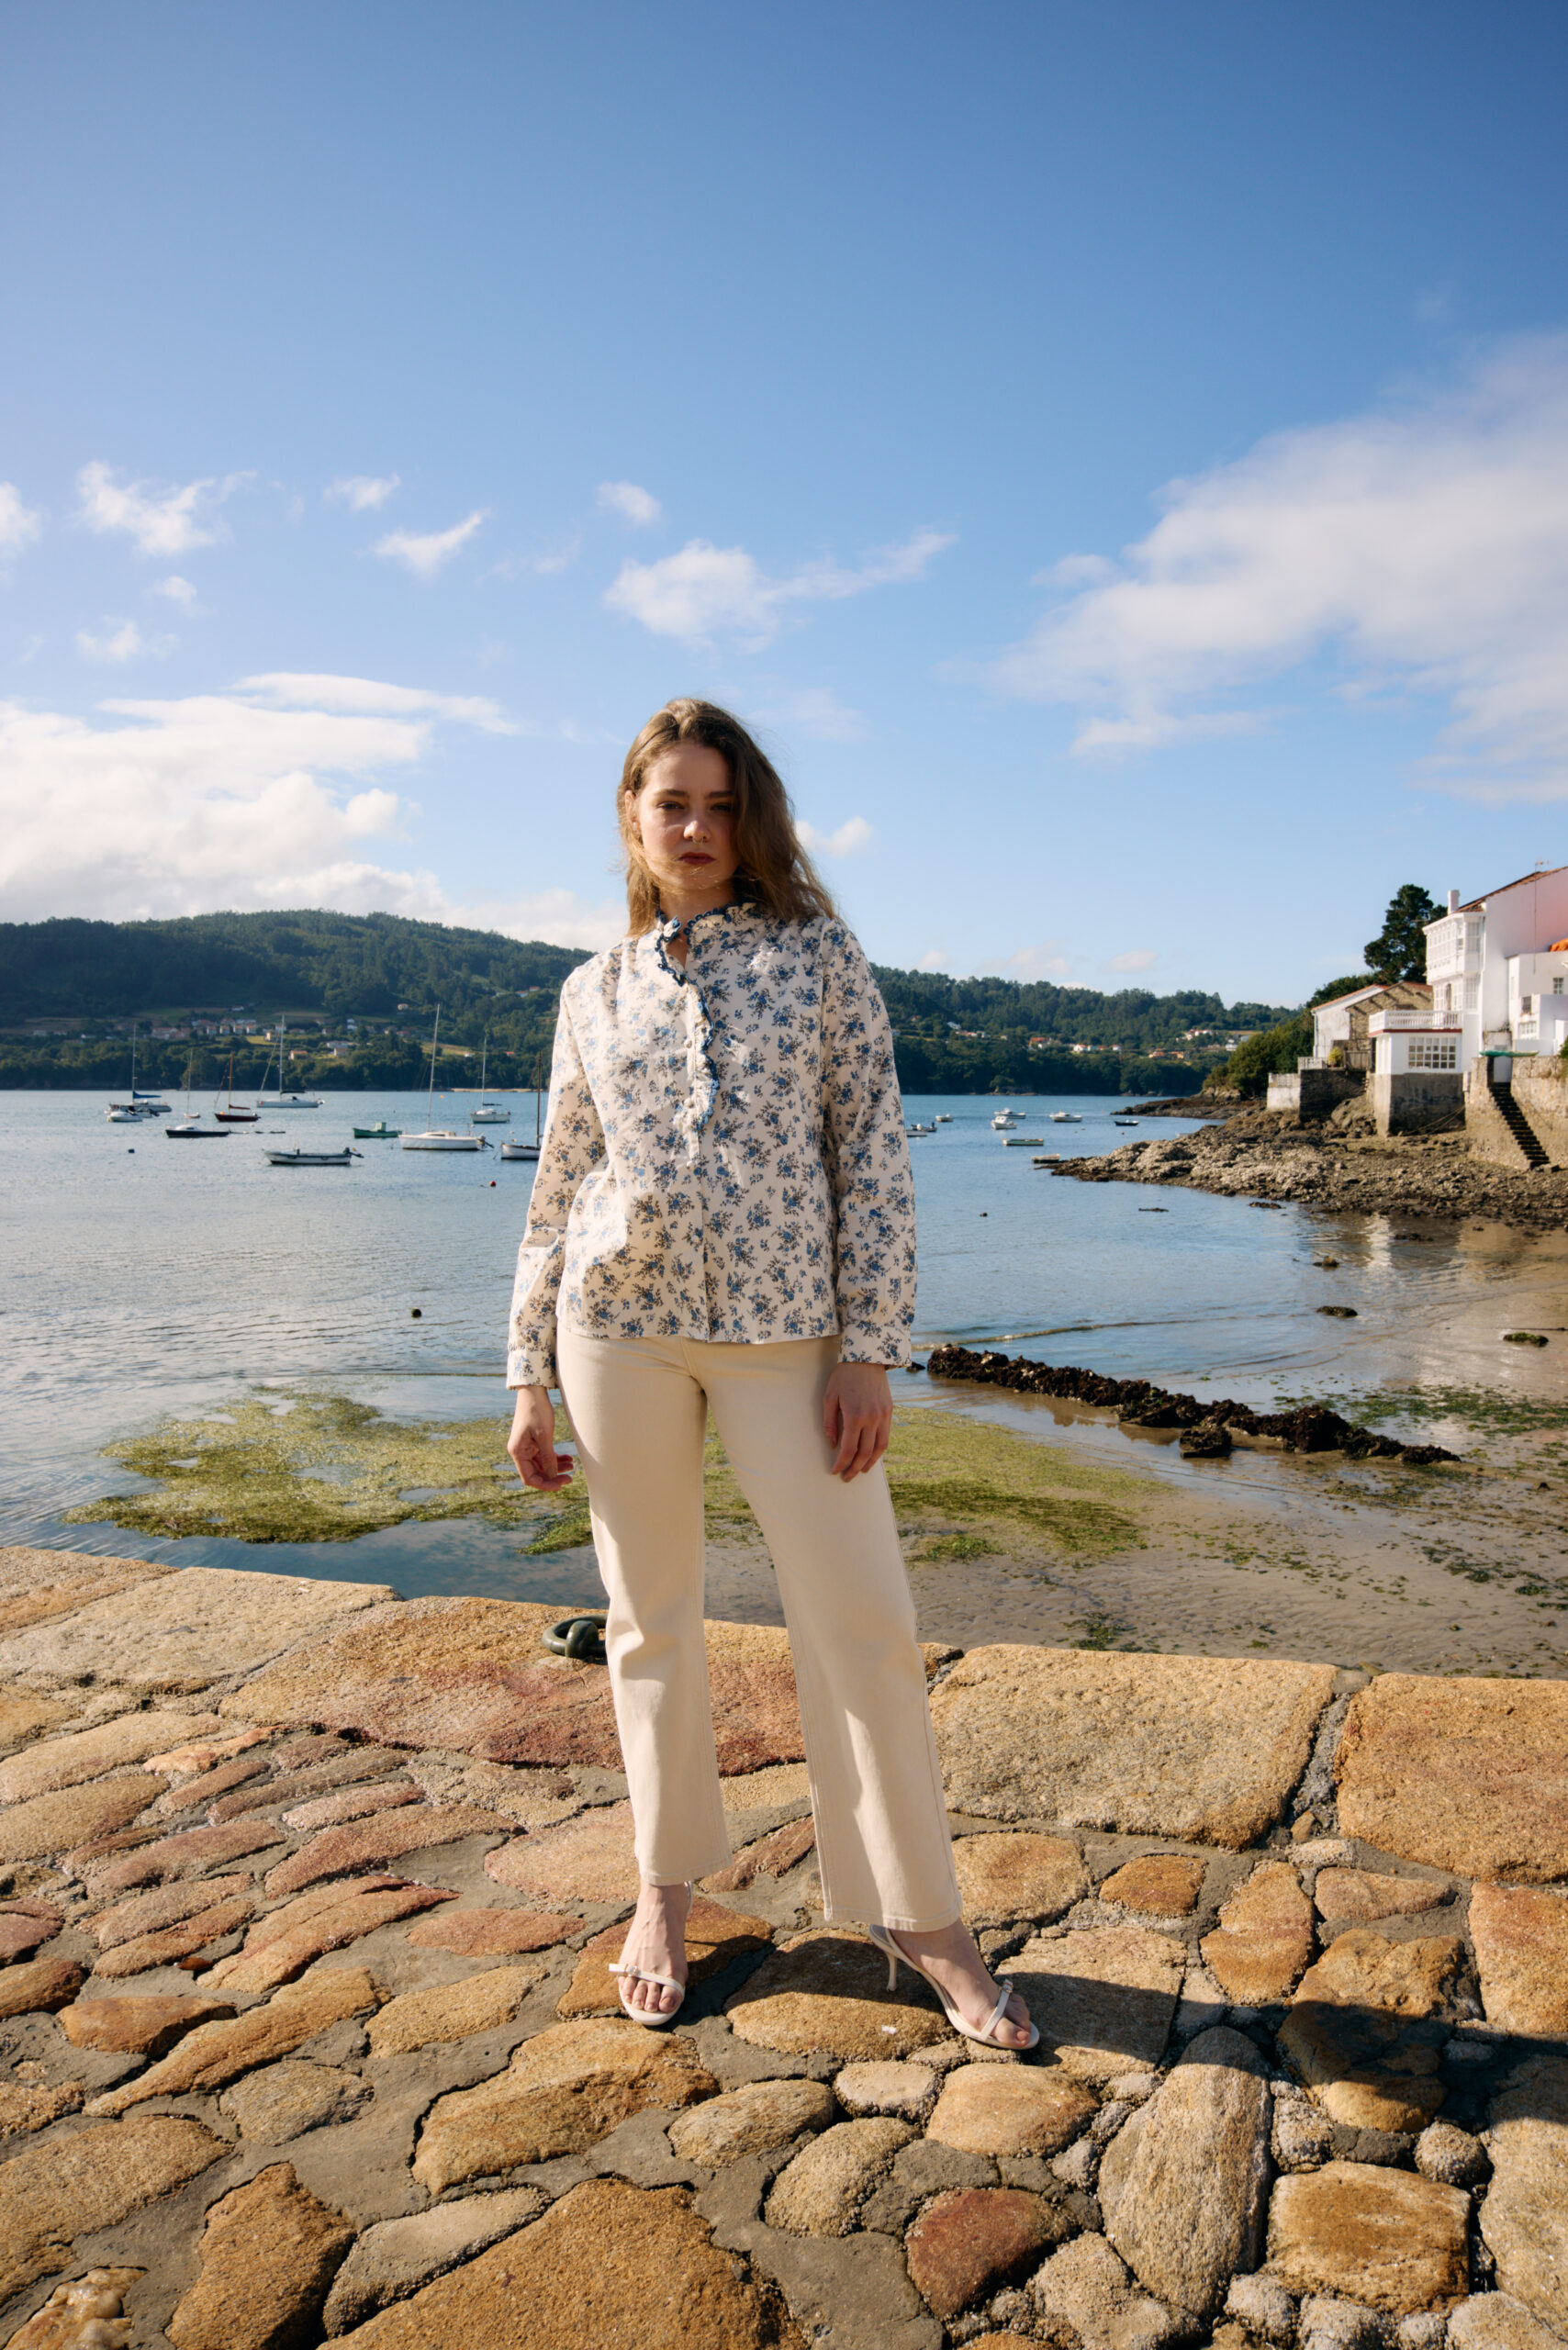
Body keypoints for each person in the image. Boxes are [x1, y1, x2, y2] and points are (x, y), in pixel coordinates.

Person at [506, 698, 1034, 2049]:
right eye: (672, 803)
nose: (696, 828)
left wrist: (870, 1348)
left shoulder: (821, 957)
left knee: (861, 1618)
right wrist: (526, 1372)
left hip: (792, 1338)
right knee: (648, 1619)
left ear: (755, 822)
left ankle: (923, 1918)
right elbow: (560, 1188)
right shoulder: (591, 991)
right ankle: (663, 1893)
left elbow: (875, 1155)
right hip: (616, 1328)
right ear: (633, 817)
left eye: (721, 805)